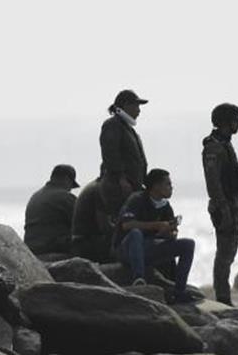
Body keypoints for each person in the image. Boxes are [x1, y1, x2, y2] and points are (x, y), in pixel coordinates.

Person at [114, 168, 196, 303]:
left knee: (188, 244)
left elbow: (171, 232)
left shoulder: (165, 206)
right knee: (136, 234)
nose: (171, 187)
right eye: (168, 184)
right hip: (127, 249)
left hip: (148, 249)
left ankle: (179, 291)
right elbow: (126, 225)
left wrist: (170, 232)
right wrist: (157, 225)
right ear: (156, 186)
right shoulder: (137, 199)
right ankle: (138, 279)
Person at [202, 103, 238, 306]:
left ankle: (223, 295)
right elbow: (213, 182)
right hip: (225, 206)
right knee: (224, 253)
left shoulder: (225, 144)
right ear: (226, 122)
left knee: (229, 252)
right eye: (236, 119)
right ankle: (222, 297)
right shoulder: (214, 147)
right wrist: (223, 208)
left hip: (233, 204)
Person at [99, 89, 149, 218]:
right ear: (126, 105)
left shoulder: (128, 129)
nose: (139, 110)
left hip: (133, 186)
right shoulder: (112, 124)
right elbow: (110, 153)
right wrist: (121, 178)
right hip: (119, 188)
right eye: (136, 106)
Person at [24, 164, 80, 256]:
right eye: (71, 185)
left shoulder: (36, 195)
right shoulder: (65, 197)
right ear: (66, 179)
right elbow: (84, 225)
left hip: (32, 249)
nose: (70, 189)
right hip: (51, 248)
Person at [70, 177, 113, 262]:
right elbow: (104, 227)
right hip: (86, 244)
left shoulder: (94, 186)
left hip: (80, 243)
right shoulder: (100, 189)